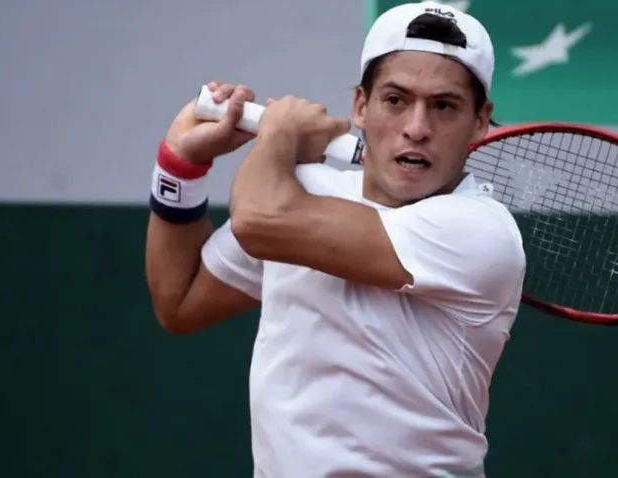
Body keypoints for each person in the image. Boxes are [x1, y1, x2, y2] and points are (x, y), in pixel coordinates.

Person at [145, 2, 525, 476]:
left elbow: (260, 219)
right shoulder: (301, 192)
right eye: (396, 100)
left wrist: (280, 136)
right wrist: (181, 165)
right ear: (361, 107)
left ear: (480, 121)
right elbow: (179, 301)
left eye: (443, 106)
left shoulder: (479, 231)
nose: (416, 128)